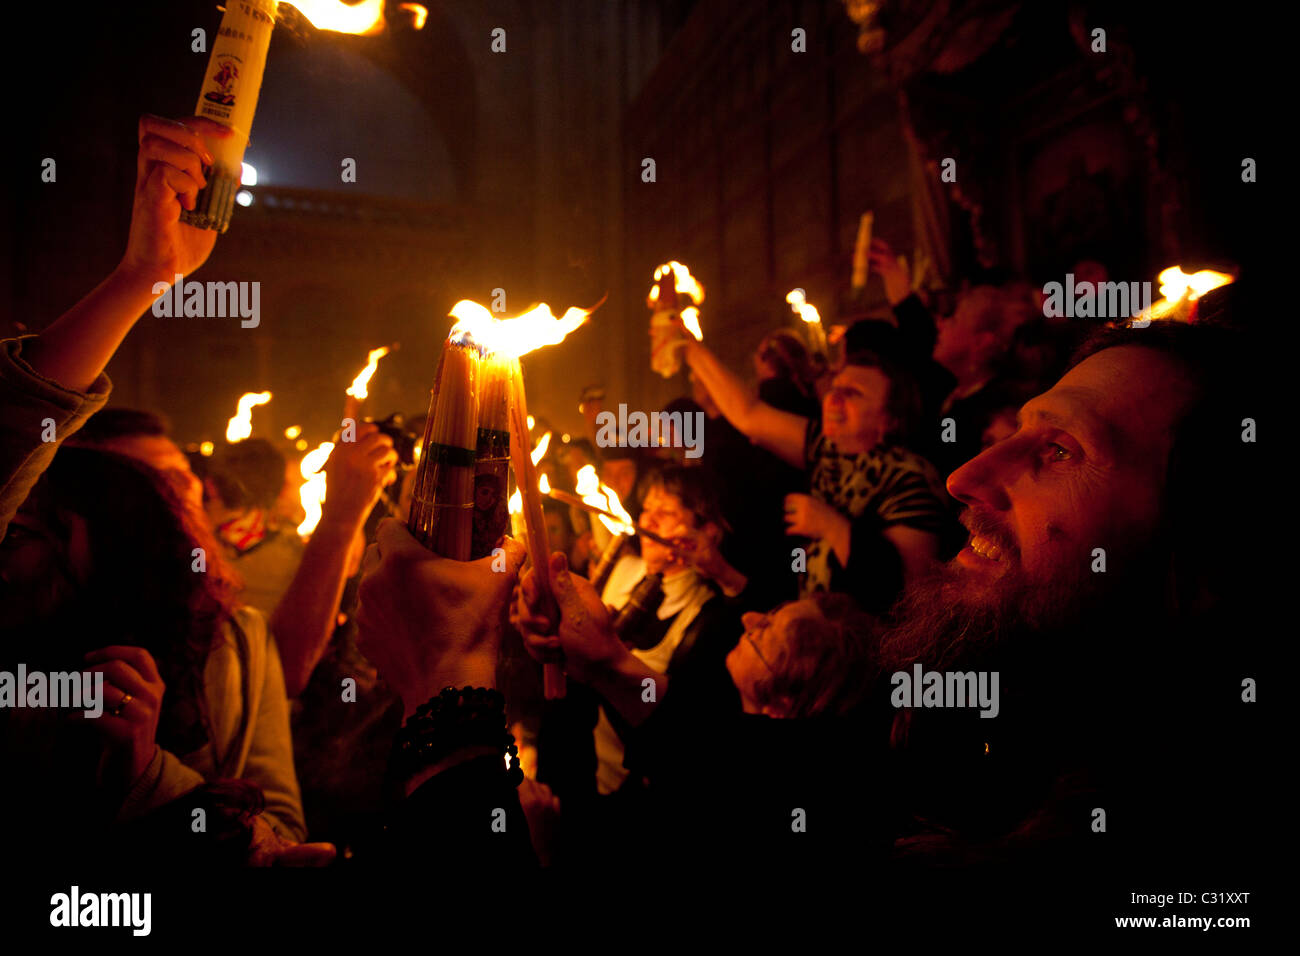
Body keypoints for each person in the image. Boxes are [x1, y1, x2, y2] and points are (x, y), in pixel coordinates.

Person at [684, 336, 947, 611]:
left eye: (853, 393)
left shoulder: (911, 479)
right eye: (835, 387)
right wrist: (690, 348)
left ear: (890, 419)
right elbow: (749, 414)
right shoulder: (828, 449)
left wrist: (832, 526)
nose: (834, 398)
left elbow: (910, 594)